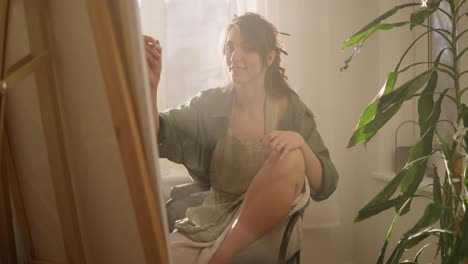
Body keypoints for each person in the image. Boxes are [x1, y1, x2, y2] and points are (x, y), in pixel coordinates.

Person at [144, 12, 338, 264]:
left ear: (269, 57)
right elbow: (158, 133)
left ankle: (219, 257)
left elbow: (326, 183)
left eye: (247, 48)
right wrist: (150, 85)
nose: (235, 57)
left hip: (269, 231)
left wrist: (300, 143)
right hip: (212, 223)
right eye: (230, 47)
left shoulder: (291, 110)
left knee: (291, 157)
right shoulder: (210, 103)